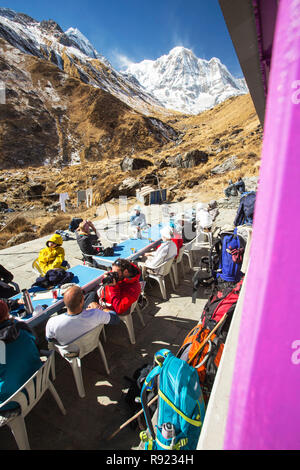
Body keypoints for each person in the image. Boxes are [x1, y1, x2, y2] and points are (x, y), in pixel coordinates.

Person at [0, 300, 42, 411]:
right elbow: (37, 345)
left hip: (11, 400)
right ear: (7, 313)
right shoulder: (22, 328)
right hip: (38, 381)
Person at [45, 285, 119, 346]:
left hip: (70, 351)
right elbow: (115, 319)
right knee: (92, 294)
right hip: (91, 344)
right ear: (82, 301)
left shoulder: (52, 322)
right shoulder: (96, 314)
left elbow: (49, 339)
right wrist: (101, 309)